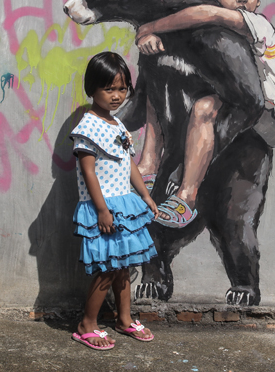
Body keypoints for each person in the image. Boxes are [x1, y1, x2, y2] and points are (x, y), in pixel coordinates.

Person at [135, 0, 275, 228]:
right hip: (236, 100)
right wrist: (152, 41)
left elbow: (209, 14)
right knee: (163, 76)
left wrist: (148, 27)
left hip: (273, 113)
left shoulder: (256, 24)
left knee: (204, 108)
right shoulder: (211, 32)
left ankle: (186, 199)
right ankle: (148, 164)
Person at [69, 52, 159, 350]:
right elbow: (88, 172)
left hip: (125, 206)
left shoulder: (118, 125)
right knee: (106, 269)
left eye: (122, 89)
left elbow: (129, 163)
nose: (117, 96)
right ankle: (87, 324)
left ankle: (124, 319)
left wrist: (145, 195)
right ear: (91, 88)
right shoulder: (87, 126)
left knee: (123, 267)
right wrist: (102, 210)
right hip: (103, 208)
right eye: (109, 89)